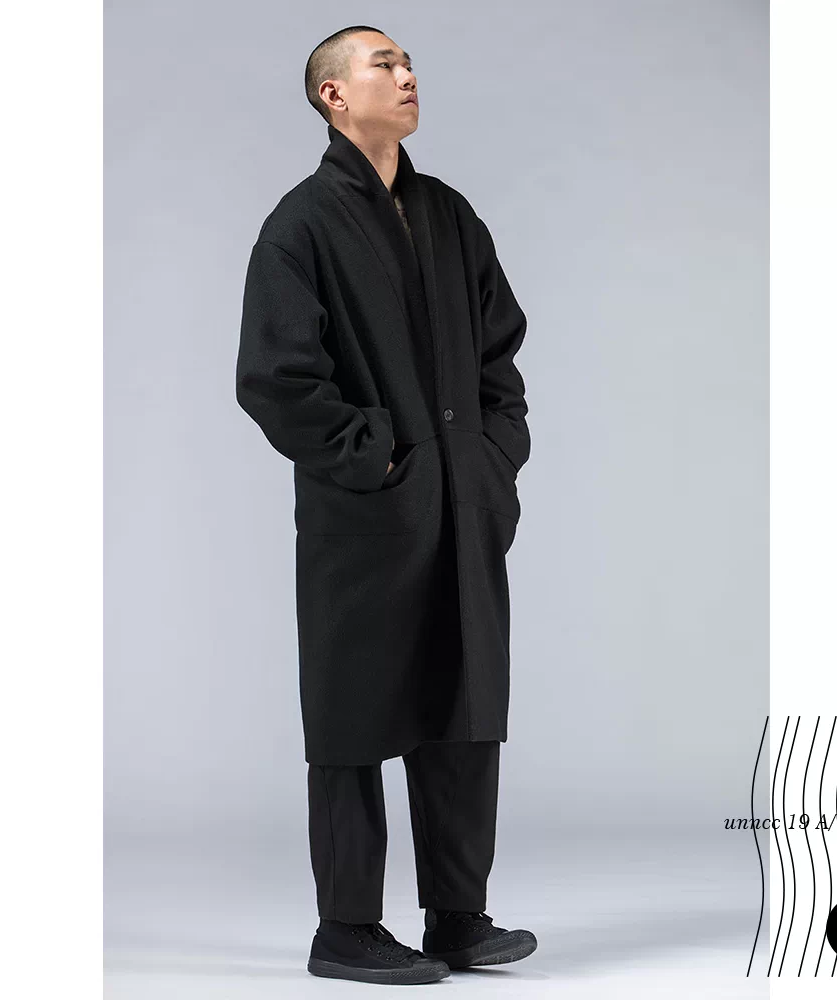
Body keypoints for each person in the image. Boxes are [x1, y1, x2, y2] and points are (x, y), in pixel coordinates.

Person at [236, 25, 536, 986]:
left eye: (408, 64)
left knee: (464, 705)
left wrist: (491, 461)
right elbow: (276, 379)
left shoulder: (449, 214)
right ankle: (347, 929)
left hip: (462, 505)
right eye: (384, 64)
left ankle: (458, 916)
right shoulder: (301, 225)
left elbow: (499, 355)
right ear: (333, 95)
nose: (407, 76)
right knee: (354, 713)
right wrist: (379, 461)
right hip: (364, 517)